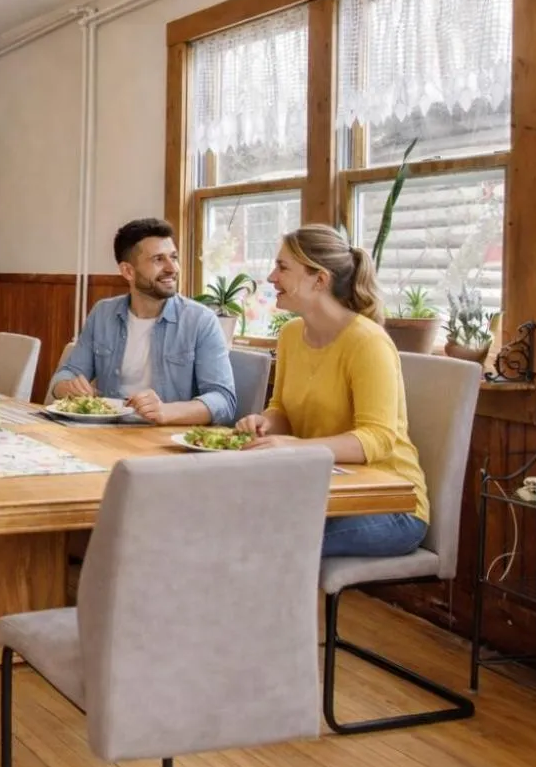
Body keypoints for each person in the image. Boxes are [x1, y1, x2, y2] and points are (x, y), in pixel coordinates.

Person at [235, 225, 429, 558]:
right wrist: (266, 424)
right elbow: (281, 407)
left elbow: (377, 439)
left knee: (262, 540)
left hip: (391, 506)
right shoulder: (291, 335)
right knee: (235, 522)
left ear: (319, 279)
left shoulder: (367, 343)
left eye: (282, 267)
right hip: (321, 489)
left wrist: (296, 449)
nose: (271, 276)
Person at [48, 218, 236, 426]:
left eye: (173, 257)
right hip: (105, 433)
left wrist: (167, 411)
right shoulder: (103, 313)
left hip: (164, 442)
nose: (172, 268)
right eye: (158, 259)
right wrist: (67, 387)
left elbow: (223, 401)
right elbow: (65, 375)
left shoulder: (201, 321)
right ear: (128, 271)